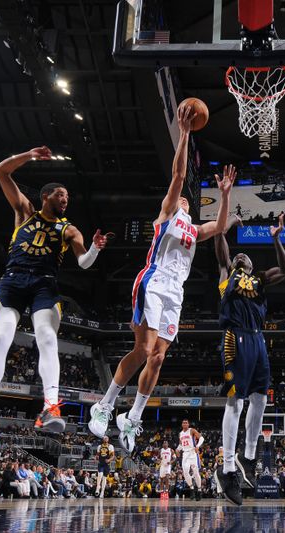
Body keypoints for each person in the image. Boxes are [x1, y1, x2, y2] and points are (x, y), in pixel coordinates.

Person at [89, 103, 235, 449]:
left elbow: (221, 227)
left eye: (186, 201)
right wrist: (184, 135)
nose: (183, 200)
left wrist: (226, 195)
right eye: (180, 199)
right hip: (153, 282)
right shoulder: (167, 215)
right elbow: (179, 177)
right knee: (143, 349)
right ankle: (105, 405)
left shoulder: (194, 230)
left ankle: (132, 418)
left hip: (175, 293)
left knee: (158, 356)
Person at [0, 146, 108, 447]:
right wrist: (29, 156)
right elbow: (0, 170)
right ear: (46, 196)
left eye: (67, 196)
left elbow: (83, 263)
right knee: (2, 337)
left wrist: (95, 248)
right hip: (12, 281)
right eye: (61, 194)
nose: (66, 199)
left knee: (46, 335)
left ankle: (50, 406)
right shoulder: (24, 211)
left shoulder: (68, 229)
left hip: (44, 285)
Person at [212, 214, 285, 506]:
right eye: (238, 255)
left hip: (258, 340)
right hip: (236, 337)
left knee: (260, 399)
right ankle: (228, 468)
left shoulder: (259, 279)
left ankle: (248, 456)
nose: (241, 256)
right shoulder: (226, 273)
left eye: (246, 256)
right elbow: (220, 243)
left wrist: (275, 238)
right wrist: (228, 223)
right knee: (236, 401)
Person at [177, 420, 204, 501]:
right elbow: (181, 444)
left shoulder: (192, 430)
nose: (185, 424)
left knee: (196, 472)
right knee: (185, 472)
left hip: (193, 453)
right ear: (182, 424)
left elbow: (201, 438)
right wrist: (177, 449)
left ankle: (199, 490)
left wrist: (198, 446)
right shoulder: (180, 433)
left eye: (186, 423)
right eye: (183, 423)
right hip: (185, 454)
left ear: (188, 424)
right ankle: (191, 488)